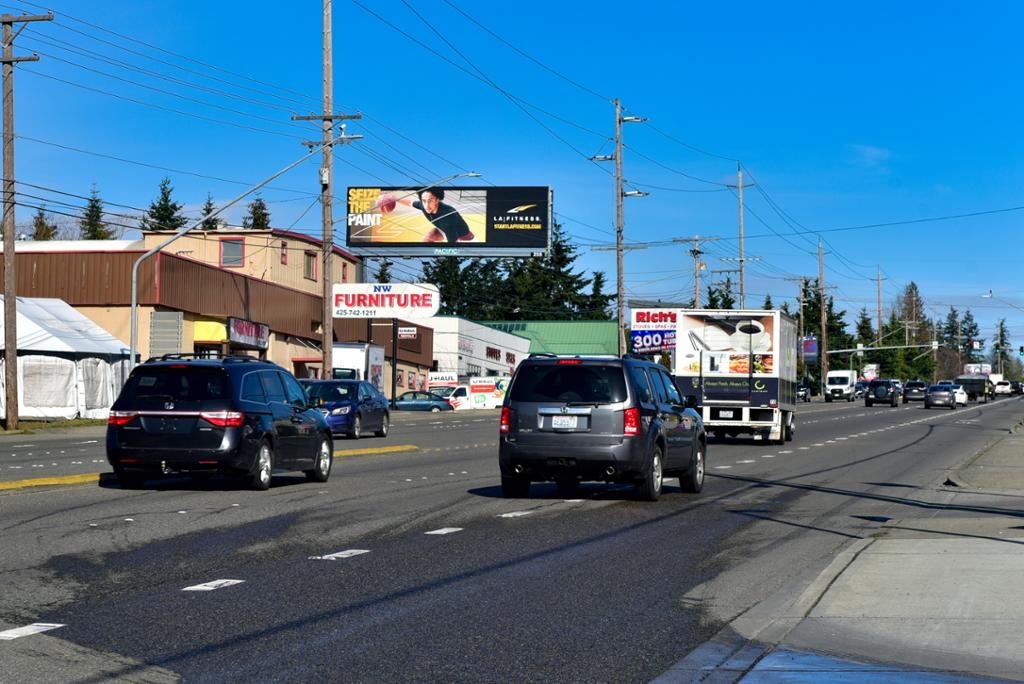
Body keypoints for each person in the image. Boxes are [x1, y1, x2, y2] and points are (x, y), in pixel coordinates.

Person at [378, 187, 474, 243]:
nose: (426, 205)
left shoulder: (447, 217)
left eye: (430, 200)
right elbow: (409, 202)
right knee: (425, 239)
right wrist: (395, 198)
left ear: (437, 200)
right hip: (443, 229)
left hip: (463, 237)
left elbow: (453, 245)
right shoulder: (423, 205)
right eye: (424, 201)